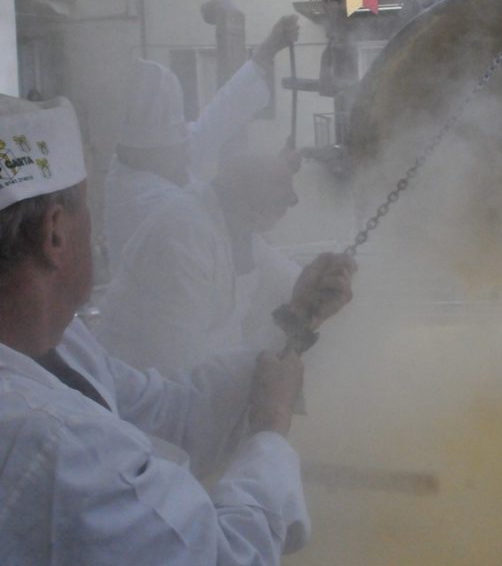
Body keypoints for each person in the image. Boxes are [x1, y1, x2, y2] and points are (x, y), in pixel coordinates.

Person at [0, 93, 346, 564]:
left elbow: (163, 407)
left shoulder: (55, 341)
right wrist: (269, 433)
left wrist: (296, 321)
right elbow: (223, 556)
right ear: (55, 232)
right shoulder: (58, 444)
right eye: (87, 207)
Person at [98, 151, 351, 373]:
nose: (289, 204)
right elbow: (178, 368)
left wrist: (327, 284)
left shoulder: (237, 227)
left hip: (200, 391)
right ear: (245, 193)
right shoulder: (183, 234)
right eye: (279, 195)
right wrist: (290, 325)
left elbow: (286, 279)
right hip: (147, 406)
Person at [104, 15, 299, 273]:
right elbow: (221, 215)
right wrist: (272, 174)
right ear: (148, 153)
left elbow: (215, 120)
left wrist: (266, 51)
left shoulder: (154, 161)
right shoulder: (145, 203)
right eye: (178, 145)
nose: (187, 149)